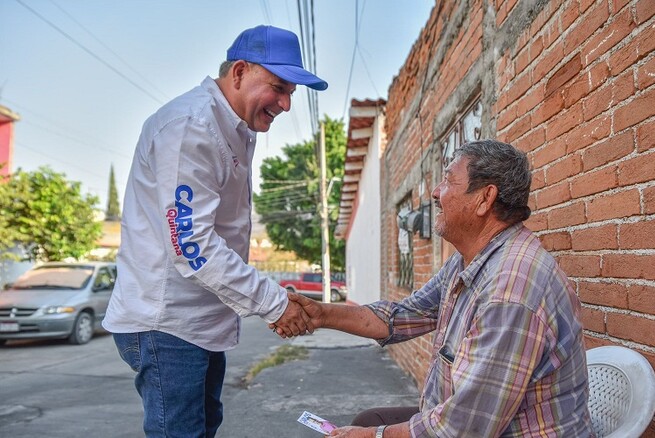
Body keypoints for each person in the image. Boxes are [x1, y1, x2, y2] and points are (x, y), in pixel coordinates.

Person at [276, 140, 593, 437]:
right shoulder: (467, 261)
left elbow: (465, 427)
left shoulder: (510, 291)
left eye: (448, 181)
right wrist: (320, 314)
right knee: (367, 421)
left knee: (369, 429)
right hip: (466, 421)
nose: (435, 192)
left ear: (485, 198)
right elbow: (402, 316)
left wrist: (376, 436)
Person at [103, 25, 327, 437]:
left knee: (203, 428)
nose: (286, 103)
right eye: (279, 87)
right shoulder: (190, 126)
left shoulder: (235, 127)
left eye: (292, 93)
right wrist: (275, 304)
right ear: (239, 72)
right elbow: (194, 246)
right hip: (167, 323)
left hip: (200, 322)